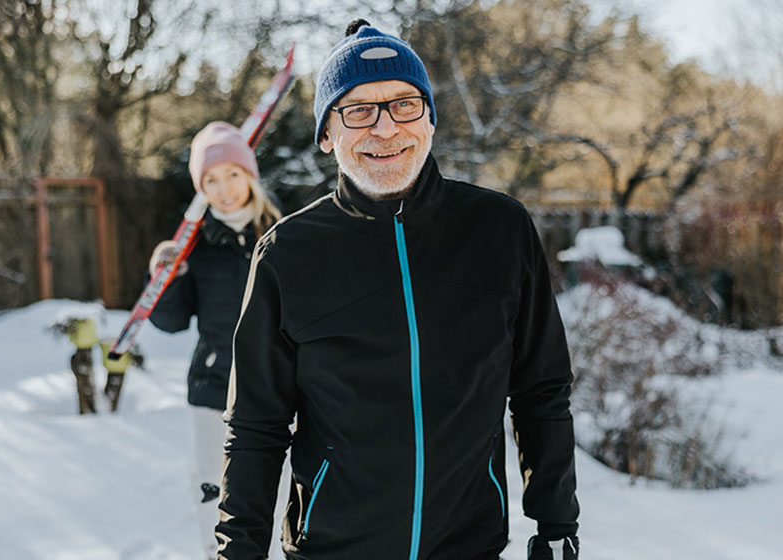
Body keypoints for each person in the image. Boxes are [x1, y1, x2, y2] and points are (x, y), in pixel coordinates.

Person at [215, 20, 580, 560]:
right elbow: (255, 426)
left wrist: (556, 523)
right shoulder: (288, 254)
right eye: (358, 110)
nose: (385, 129)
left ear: (429, 119)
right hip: (332, 550)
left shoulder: (499, 230)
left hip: (468, 545)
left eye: (404, 104)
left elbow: (540, 390)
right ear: (325, 135)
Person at [147, 121, 281, 559]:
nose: (224, 189)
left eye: (232, 176)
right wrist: (165, 279)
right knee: (213, 482)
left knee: (276, 482)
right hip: (213, 384)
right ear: (200, 187)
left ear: (250, 176)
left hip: (277, 385)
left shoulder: (283, 233)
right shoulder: (194, 245)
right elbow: (170, 323)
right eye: (211, 181)